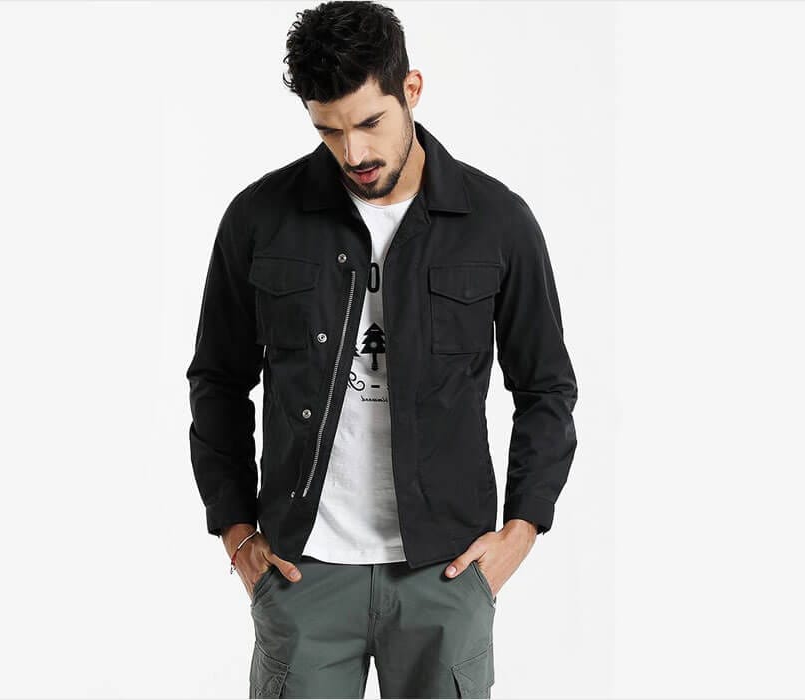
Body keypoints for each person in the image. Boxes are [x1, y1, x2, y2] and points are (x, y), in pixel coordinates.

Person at [184, 2, 579, 697]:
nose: (354, 154)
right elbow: (217, 379)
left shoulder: (497, 221)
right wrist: (236, 533)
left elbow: (546, 388)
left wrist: (520, 532)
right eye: (329, 130)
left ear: (411, 90)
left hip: (445, 574)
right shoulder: (259, 218)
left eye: (370, 123)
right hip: (302, 573)